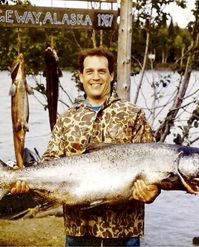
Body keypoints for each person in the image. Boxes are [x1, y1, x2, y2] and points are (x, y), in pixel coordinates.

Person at [12, 47, 161, 246]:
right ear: (81, 77)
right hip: (78, 231)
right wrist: (24, 179)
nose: (95, 77)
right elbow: (49, 164)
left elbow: (155, 166)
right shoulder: (67, 120)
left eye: (101, 71)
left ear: (111, 75)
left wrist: (152, 191)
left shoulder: (133, 115)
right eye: (89, 71)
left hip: (123, 231)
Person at [44, 42, 61, 130]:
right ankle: (53, 126)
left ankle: (53, 125)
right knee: (52, 103)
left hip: (52, 81)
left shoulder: (52, 64)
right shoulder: (49, 58)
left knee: (53, 103)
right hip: (51, 81)